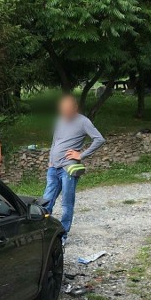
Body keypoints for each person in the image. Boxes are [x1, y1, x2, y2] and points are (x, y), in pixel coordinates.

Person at [43, 95, 105, 241]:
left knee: (66, 203)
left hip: (68, 169)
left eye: (67, 110)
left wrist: (81, 155)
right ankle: (44, 232)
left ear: (74, 108)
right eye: (62, 110)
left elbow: (99, 139)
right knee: (46, 201)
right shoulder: (59, 120)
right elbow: (55, 141)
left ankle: (62, 236)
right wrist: (50, 160)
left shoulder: (83, 121)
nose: (64, 113)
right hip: (53, 167)